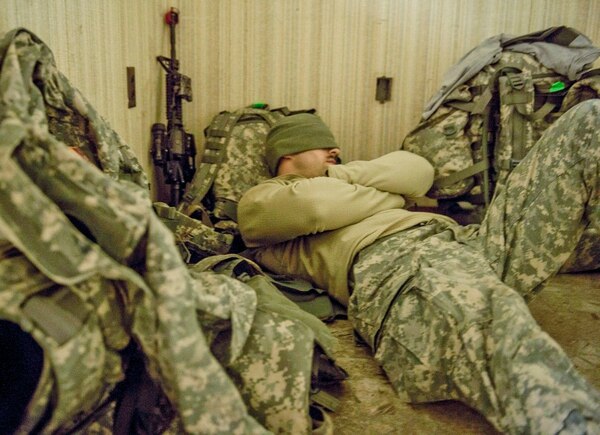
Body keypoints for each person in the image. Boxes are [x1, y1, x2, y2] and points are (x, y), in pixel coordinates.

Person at [237, 103, 600, 434]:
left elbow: (420, 170)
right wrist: (397, 195)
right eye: (322, 147)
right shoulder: (261, 199)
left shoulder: (344, 178)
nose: (335, 152)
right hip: (401, 264)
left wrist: (342, 175)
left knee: (589, 120)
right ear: (287, 153)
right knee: (499, 324)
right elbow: (317, 207)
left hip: (465, 241)